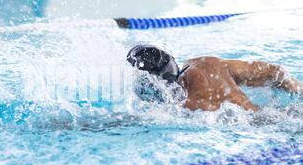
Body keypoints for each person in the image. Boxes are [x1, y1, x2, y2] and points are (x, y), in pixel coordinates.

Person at [127, 44, 303, 112]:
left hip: (269, 125)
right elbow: (275, 72)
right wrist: (298, 89)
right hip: (279, 115)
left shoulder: (189, 107)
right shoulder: (206, 64)